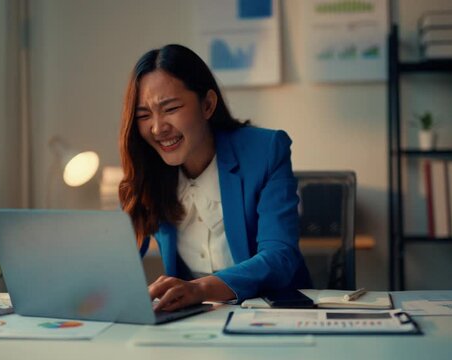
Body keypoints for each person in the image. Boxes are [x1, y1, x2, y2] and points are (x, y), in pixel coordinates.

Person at [118, 44, 311, 312]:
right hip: (196, 323)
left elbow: (280, 256)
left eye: (170, 108)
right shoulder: (148, 172)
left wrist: (198, 289)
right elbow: (115, 268)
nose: (157, 127)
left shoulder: (265, 150)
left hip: (275, 312)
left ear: (207, 104)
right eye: (143, 115)